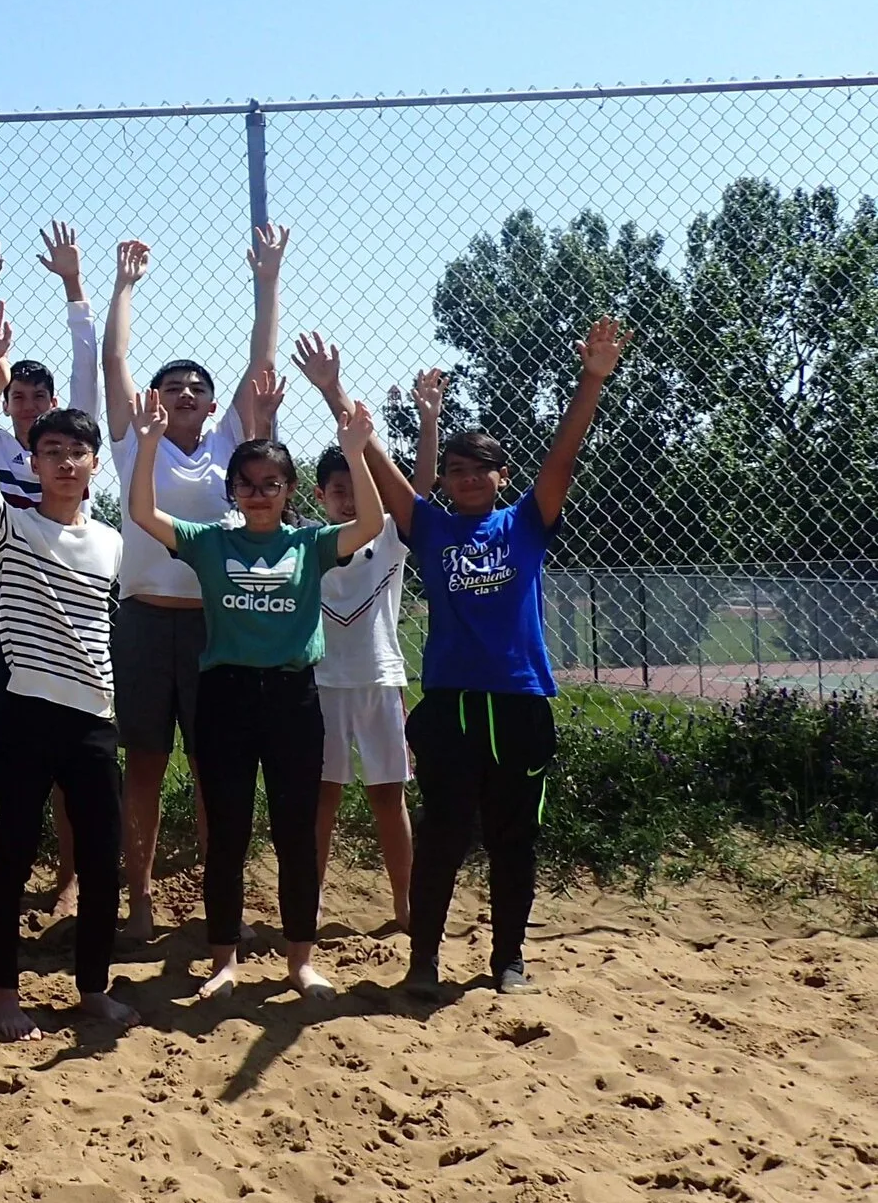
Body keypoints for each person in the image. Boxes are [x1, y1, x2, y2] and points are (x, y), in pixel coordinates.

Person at [323, 318, 626, 997]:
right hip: (452, 707)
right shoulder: (430, 527)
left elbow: (563, 456)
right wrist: (334, 389)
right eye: (455, 471)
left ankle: (508, 958)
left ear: (500, 475)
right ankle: (424, 960)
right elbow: (375, 457)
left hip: (519, 702)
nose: (465, 479)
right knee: (442, 837)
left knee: (514, 840)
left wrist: (592, 379)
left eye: (478, 469)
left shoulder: (525, 522)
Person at [126, 379, 383, 1001]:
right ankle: (224, 961)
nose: (259, 494)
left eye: (271, 484)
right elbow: (142, 515)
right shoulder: (211, 541)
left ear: (290, 490)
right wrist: (149, 444)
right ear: (231, 492)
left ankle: (300, 961)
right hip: (227, 697)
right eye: (246, 485)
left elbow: (373, 522)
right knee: (228, 833)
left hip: (293, 698)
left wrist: (355, 452)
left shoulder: (309, 543)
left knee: (296, 832)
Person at [0, 300, 132, 1037]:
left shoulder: (113, 543)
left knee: (103, 861)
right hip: (27, 713)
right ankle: (3, 993)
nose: (62, 460)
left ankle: (93, 988)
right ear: (31, 460)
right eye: (49, 449)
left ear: (92, 465)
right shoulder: (12, 529)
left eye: (75, 451)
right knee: (14, 855)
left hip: (93, 720)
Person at [101, 225, 289, 939]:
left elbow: (261, 362)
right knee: (144, 764)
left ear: (213, 406)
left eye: (197, 387)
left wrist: (267, 281)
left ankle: (221, 905)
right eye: (173, 385)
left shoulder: (228, 445)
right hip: (145, 622)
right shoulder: (133, 439)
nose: (185, 392)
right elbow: (116, 359)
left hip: (216, 627)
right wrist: (124, 286)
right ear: (154, 398)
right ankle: (140, 901)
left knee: (217, 768)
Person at [0, 225, 101, 916]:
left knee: (70, 748)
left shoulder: (71, 446)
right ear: (7, 403)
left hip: (73, 608)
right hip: (3, 604)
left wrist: (74, 286)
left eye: (41, 396)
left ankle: (70, 880)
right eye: (20, 396)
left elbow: (88, 368)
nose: (31, 405)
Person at [291, 336, 438, 933]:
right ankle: (310, 904)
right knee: (321, 798)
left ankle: (405, 907)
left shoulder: (390, 538)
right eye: (336, 490)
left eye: (356, 487)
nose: (347, 498)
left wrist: (428, 422)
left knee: (387, 796)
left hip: (380, 681)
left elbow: (418, 492)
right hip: (322, 685)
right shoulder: (307, 543)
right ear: (319, 496)